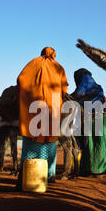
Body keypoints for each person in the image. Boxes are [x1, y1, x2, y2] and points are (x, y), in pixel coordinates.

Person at [17, 47, 68, 188]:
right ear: (53, 55)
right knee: (50, 140)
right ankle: (50, 175)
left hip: (32, 111)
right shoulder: (58, 67)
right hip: (52, 111)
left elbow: (21, 79)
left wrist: (26, 97)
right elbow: (64, 88)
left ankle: (25, 174)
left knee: (30, 142)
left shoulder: (32, 63)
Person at [71, 68, 106, 176]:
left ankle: (94, 170)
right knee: (97, 143)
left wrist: (68, 97)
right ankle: (96, 169)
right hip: (101, 116)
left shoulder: (86, 80)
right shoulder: (94, 88)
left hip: (98, 116)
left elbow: (79, 94)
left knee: (94, 143)